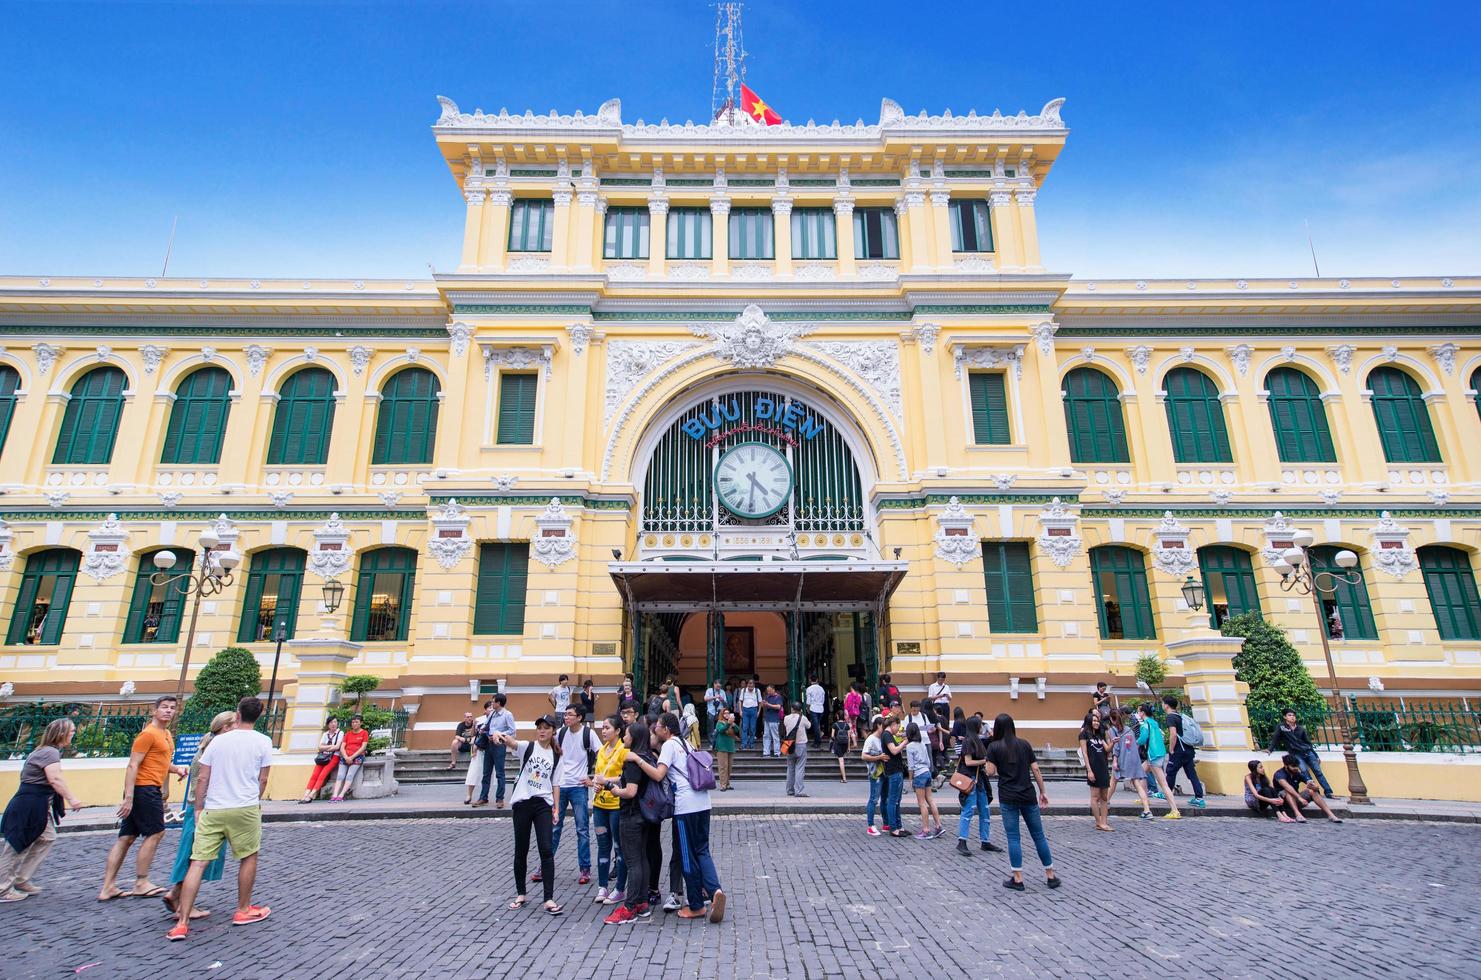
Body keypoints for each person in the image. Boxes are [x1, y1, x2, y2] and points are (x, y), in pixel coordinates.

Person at [167, 697, 274, 941]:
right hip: (245, 806)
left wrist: (199, 807)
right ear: (259, 715)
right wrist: (253, 799)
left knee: (197, 862)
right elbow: (264, 778)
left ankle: (182, 922)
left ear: (237, 714)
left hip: (214, 808)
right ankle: (243, 909)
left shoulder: (217, 742)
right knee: (248, 857)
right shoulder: (263, 741)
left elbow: (203, 778)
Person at [631, 712, 725, 922]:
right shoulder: (688, 744)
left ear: (666, 729)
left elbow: (658, 774)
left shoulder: (669, 746)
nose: (655, 728)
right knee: (702, 850)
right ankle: (715, 890)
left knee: (686, 855)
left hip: (685, 806)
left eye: (658, 726)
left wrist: (637, 759)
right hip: (703, 802)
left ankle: (696, 905)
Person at [99, 694, 187, 901]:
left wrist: (176, 770)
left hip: (147, 788)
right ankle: (141, 881)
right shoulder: (148, 734)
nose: (168, 711)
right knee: (156, 833)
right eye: (164, 707)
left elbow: (160, 762)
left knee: (127, 837)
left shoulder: (165, 734)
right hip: (144, 789)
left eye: (172, 708)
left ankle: (108, 887)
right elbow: (133, 764)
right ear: (154, 710)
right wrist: (128, 797)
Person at [163, 711, 236, 920]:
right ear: (226, 728)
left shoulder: (207, 744)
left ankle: (176, 893)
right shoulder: (215, 749)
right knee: (199, 857)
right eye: (234, 726)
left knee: (195, 854)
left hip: (198, 807)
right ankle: (185, 908)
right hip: (205, 808)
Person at [0, 718, 83, 903]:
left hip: (37, 804)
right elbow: (55, 779)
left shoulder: (46, 751)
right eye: (71, 731)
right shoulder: (49, 753)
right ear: (61, 733)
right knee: (15, 846)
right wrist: (72, 798)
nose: (73, 734)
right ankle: (3, 889)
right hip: (29, 805)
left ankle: (21, 880)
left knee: (47, 837)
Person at [492, 714, 564, 915]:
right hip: (523, 803)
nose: (542, 731)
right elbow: (512, 742)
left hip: (543, 804)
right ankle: (521, 894)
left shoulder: (557, 755)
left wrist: (556, 808)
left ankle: (548, 898)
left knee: (546, 850)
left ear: (553, 731)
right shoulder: (528, 747)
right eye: (539, 727)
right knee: (521, 849)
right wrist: (498, 733)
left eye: (546, 728)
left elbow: (556, 783)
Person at [985, 713, 1061, 892]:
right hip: (1028, 794)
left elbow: (990, 772)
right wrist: (1042, 791)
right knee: (1038, 835)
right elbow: (1035, 768)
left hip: (1008, 796)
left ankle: (1018, 878)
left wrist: (989, 757)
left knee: (1013, 838)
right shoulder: (1024, 744)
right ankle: (1050, 875)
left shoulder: (994, 747)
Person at [600, 720, 652, 924]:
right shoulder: (647, 756)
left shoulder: (631, 760)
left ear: (635, 737)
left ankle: (630, 907)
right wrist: (608, 782)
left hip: (630, 815)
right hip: (644, 815)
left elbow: (630, 791)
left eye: (627, 735)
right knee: (642, 859)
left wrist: (613, 790)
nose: (624, 738)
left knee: (632, 862)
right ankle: (642, 902)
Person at [544, 705, 601, 886]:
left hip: (578, 786)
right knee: (553, 827)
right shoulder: (560, 733)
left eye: (570, 715)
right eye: (566, 714)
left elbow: (601, 754)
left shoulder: (588, 734)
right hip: (560, 785)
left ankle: (585, 868)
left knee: (582, 829)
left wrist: (594, 778)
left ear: (580, 717)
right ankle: (545, 865)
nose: (566, 717)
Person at [586, 715, 628, 905]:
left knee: (619, 847)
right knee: (603, 846)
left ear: (618, 731)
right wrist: (595, 783)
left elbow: (624, 776)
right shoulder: (602, 750)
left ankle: (619, 888)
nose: (603, 731)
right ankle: (602, 886)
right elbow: (598, 774)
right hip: (600, 805)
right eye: (602, 727)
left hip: (616, 805)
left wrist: (606, 782)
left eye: (607, 728)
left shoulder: (623, 750)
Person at [953, 716, 1001, 856]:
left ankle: (985, 841)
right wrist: (983, 761)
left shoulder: (976, 740)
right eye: (980, 725)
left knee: (985, 810)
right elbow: (968, 762)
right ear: (976, 726)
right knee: (968, 810)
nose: (982, 727)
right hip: (971, 779)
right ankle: (962, 841)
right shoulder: (968, 741)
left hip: (978, 780)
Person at [1266, 707, 1335, 797]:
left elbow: (1308, 743)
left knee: (1318, 772)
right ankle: (1315, 793)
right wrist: (1270, 749)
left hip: (1308, 752)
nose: (1292, 717)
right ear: (1285, 717)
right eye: (1289, 715)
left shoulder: (1300, 728)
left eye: (1293, 715)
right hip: (1296, 754)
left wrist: (1315, 755)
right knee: (1305, 772)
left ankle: (1328, 792)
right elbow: (1276, 738)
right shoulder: (1282, 727)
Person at [1136, 703, 1181, 819]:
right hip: (1158, 753)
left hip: (1153, 755)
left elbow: (1142, 740)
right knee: (1140, 773)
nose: (1138, 714)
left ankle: (1174, 810)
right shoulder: (1154, 722)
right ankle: (1144, 798)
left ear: (1142, 713)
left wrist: (1134, 742)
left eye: (1138, 711)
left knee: (1163, 784)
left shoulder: (1145, 725)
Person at [1162, 695, 1207, 809]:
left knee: (1171, 771)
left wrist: (1171, 749)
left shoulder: (1171, 717)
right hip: (1188, 749)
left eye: (1163, 703)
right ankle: (1199, 798)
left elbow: (1173, 734)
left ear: (1166, 705)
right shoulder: (1180, 716)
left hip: (1179, 750)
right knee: (1192, 774)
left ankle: (1167, 794)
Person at [1272, 754, 1344, 823]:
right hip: (1283, 802)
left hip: (1296, 800)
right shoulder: (1279, 774)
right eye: (1293, 766)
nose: (1296, 768)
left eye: (1297, 766)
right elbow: (1287, 787)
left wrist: (1314, 787)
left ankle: (1331, 815)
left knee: (1311, 791)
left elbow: (1314, 786)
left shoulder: (1297, 773)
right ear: (1286, 765)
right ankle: (1298, 815)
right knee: (1287, 791)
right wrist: (1299, 798)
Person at [474, 694, 517, 808]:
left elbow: (512, 731)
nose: (492, 704)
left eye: (493, 702)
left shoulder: (507, 714)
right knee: (486, 773)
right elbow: (487, 726)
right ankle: (483, 797)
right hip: (489, 744)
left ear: (499, 703)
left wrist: (499, 735)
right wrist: (484, 731)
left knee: (499, 773)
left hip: (499, 745)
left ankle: (500, 799)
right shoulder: (492, 713)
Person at [905, 723, 944, 839]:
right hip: (927, 771)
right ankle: (938, 825)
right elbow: (928, 760)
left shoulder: (910, 746)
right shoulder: (922, 743)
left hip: (919, 773)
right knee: (930, 800)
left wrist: (910, 779)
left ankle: (926, 829)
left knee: (921, 803)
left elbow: (911, 766)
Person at [1078, 710, 1113, 832]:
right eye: (1094, 720)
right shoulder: (1084, 735)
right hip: (1093, 768)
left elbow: (1107, 749)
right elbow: (1084, 753)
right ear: (1089, 722)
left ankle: (1104, 822)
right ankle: (1098, 822)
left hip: (1103, 767)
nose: (1097, 722)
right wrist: (1089, 770)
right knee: (1094, 796)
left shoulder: (1100, 735)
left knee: (1104, 796)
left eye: (1098, 720)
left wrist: (1113, 742)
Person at [1110, 708, 1150, 815]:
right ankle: (1147, 810)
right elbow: (1133, 745)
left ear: (1112, 719)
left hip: (1122, 759)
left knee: (1113, 781)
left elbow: (1116, 747)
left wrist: (1114, 761)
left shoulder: (1113, 730)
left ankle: (1105, 802)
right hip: (1134, 758)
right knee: (1137, 783)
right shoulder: (1128, 729)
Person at [299, 717, 343, 803]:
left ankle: (312, 794)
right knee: (314, 775)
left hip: (334, 757)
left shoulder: (340, 733)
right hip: (323, 757)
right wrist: (330, 747)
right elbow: (320, 747)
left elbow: (337, 747)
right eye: (331, 723)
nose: (333, 724)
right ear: (328, 725)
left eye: (335, 722)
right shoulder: (325, 734)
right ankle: (306, 794)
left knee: (322, 775)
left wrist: (325, 748)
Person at [328, 714, 369, 802]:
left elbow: (363, 747)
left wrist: (352, 757)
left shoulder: (364, 733)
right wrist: (346, 757)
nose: (354, 724)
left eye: (356, 722)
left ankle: (341, 795)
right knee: (340, 776)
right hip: (345, 756)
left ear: (361, 723)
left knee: (349, 776)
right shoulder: (348, 734)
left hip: (357, 757)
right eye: (353, 722)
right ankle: (334, 795)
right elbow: (342, 746)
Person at [880, 714, 908, 837]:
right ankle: (893, 828)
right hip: (893, 770)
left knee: (896, 800)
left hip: (895, 769)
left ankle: (898, 826)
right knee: (893, 800)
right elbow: (894, 750)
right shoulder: (887, 735)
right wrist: (905, 742)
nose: (899, 729)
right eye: (898, 726)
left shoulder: (888, 735)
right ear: (893, 725)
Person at [861, 716, 887, 836]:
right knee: (874, 799)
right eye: (884, 725)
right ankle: (870, 825)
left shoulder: (883, 738)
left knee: (884, 799)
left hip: (884, 772)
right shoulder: (871, 739)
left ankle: (886, 823)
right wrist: (878, 757)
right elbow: (864, 756)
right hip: (875, 773)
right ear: (878, 725)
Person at [780, 702, 810, 797]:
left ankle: (789, 790)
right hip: (801, 744)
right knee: (800, 768)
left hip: (790, 745)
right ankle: (799, 791)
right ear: (800, 709)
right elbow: (809, 726)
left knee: (790, 768)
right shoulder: (803, 718)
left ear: (792, 708)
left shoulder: (786, 718)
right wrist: (802, 715)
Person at [712, 707, 737, 791]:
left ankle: (727, 784)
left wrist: (733, 724)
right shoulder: (719, 723)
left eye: (728, 713)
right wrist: (728, 724)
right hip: (721, 747)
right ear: (722, 714)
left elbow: (737, 730)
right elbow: (722, 730)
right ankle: (723, 785)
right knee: (723, 767)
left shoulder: (731, 722)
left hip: (730, 747)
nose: (727, 714)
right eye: (725, 713)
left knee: (729, 767)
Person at [737, 679, 761, 751]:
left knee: (752, 728)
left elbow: (760, 702)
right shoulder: (743, 690)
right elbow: (740, 701)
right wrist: (740, 710)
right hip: (745, 710)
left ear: (754, 685)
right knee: (744, 728)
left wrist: (758, 711)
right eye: (749, 684)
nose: (751, 686)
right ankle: (743, 744)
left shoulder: (757, 691)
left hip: (754, 710)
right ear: (747, 685)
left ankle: (751, 744)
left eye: (752, 685)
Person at [830, 708, 853, 782]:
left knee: (841, 761)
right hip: (845, 743)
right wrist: (849, 747)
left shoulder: (835, 725)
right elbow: (849, 737)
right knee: (842, 758)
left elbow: (832, 736)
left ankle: (844, 778)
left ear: (837, 716)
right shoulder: (847, 725)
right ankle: (843, 776)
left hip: (838, 743)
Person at [761, 685, 785, 757]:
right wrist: (763, 703)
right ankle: (766, 752)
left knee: (775, 736)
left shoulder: (778, 697)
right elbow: (763, 706)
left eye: (770, 691)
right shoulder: (767, 696)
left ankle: (777, 752)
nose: (768, 692)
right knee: (766, 736)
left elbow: (778, 706)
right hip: (767, 718)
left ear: (774, 689)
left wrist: (768, 704)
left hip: (774, 719)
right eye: (767, 691)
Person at [927, 672, 952, 738]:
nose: (941, 681)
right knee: (937, 721)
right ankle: (937, 737)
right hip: (937, 705)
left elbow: (950, 698)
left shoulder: (946, 687)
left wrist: (947, 695)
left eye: (942, 680)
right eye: (940, 680)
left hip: (945, 705)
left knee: (946, 721)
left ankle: (946, 738)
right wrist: (939, 696)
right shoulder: (932, 686)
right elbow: (929, 697)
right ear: (937, 678)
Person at [804, 675, 826, 748]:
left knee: (815, 726)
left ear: (810, 680)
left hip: (813, 708)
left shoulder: (809, 689)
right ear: (817, 680)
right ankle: (819, 737)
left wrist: (808, 709)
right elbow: (823, 700)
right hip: (821, 708)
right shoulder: (821, 689)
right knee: (817, 724)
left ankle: (817, 742)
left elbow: (808, 701)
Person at [704, 679, 727, 744]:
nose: (718, 688)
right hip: (711, 711)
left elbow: (725, 704)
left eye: (719, 686)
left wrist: (722, 700)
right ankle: (711, 742)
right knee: (710, 727)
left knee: (719, 727)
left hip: (720, 711)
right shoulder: (709, 690)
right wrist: (714, 697)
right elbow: (705, 699)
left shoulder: (722, 692)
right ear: (714, 684)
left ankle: (719, 741)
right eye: (717, 686)